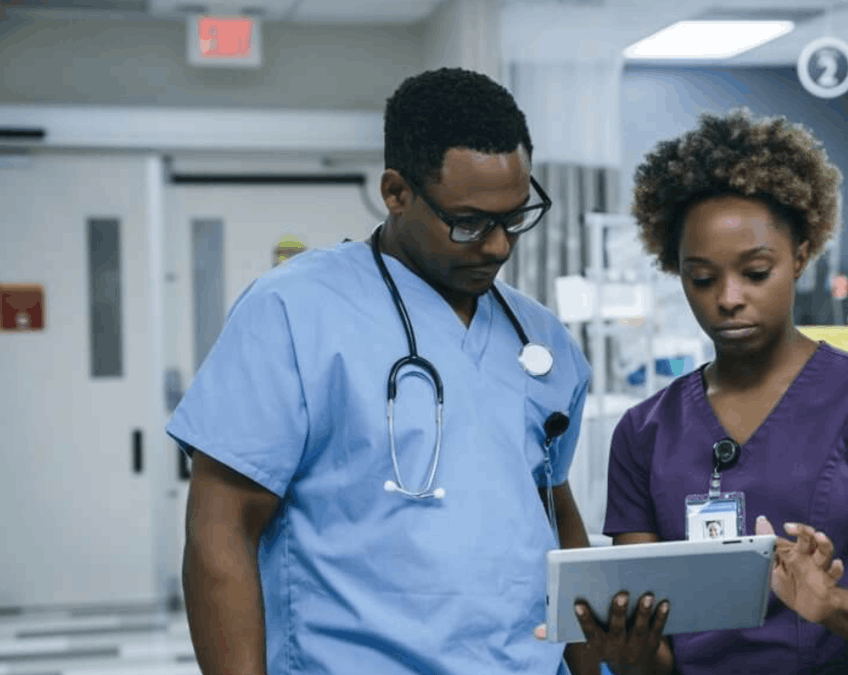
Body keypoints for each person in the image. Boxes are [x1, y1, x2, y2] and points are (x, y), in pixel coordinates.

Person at [168, 68, 599, 675]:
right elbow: (222, 527)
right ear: (396, 192)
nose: (499, 246)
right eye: (470, 222)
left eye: (515, 218)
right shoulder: (293, 311)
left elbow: (554, 514)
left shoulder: (542, 338)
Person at [573, 109, 848, 675]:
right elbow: (654, 652)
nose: (728, 298)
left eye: (755, 272)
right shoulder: (644, 431)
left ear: (800, 255)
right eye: (701, 278)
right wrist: (625, 652)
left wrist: (832, 605)